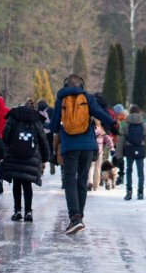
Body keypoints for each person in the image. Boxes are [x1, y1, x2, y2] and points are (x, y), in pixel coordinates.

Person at [49, 74, 117, 234]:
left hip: (69, 146)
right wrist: (113, 123)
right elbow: (101, 114)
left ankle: (75, 218)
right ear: (81, 85)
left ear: (65, 85)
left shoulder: (61, 100)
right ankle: (79, 217)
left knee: (70, 181)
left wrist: (62, 127)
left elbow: (53, 126)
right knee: (82, 180)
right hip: (87, 146)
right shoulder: (87, 98)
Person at [0, 99, 50, 222]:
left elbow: (5, 134)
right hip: (31, 156)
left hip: (14, 155)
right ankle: (28, 212)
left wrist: (6, 149)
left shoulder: (13, 117)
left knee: (17, 183)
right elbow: (43, 139)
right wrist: (45, 157)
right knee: (27, 185)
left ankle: (17, 211)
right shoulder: (37, 120)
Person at [117, 105, 146, 200]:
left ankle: (129, 192)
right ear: (139, 112)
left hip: (129, 150)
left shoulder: (125, 125)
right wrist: (145, 152)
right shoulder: (143, 125)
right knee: (140, 172)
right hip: (140, 150)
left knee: (129, 170)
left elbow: (120, 141)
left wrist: (119, 155)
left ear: (130, 113)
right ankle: (140, 192)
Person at [90, 118, 115, 191]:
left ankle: (89, 182)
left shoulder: (88, 129)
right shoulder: (101, 130)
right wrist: (112, 148)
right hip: (99, 152)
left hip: (90, 151)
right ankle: (95, 185)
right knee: (97, 168)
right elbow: (108, 139)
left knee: (90, 167)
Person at [38, 100, 57, 176]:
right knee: (50, 149)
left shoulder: (37, 111)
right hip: (49, 133)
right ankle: (51, 162)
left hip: (41, 133)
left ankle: (41, 167)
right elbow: (54, 120)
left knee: (41, 150)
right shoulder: (50, 110)